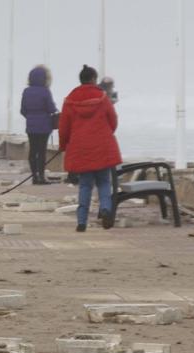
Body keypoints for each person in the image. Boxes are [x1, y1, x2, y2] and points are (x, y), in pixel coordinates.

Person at [59, 64, 123, 232]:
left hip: (81, 149)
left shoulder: (69, 100)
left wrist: (63, 145)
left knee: (85, 185)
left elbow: (64, 126)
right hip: (103, 146)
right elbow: (113, 120)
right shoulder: (102, 98)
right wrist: (106, 133)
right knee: (104, 182)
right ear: (93, 79)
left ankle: (81, 222)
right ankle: (106, 210)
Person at [20, 65, 58, 185]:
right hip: (44, 126)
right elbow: (51, 108)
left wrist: (30, 116)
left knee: (33, 151)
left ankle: (34, 176)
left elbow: (23, 110)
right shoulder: (45, 91)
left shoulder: (26, 91)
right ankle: (41, 176)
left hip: (31, 125)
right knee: (41, 151)